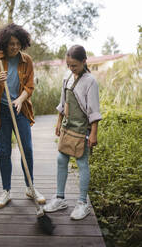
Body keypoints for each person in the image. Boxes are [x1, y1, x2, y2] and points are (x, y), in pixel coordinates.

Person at [0, 23, 45, 208]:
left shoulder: (27, 61)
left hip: (20, 110)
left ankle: (30, 187)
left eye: (17, 43)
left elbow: (29, 87)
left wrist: (20, 100)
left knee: (27, 149)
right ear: (4, 44)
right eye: (11, 43)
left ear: (22, 43)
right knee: (4, 152)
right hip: (1, 112)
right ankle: (6, 191)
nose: (14, 47)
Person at [43, 45, 102, 220]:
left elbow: (94, 111)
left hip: (82, 129)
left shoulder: (90, 81)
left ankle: (83, 203)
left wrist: (93, 134)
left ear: (84, 61)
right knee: (61, 159)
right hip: (67, 127)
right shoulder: (67, 77)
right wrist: (59, 121)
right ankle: (60, 198)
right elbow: (63, 103)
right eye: (69, 65)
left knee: (82, 163)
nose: (71, 68)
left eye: (74, 65)